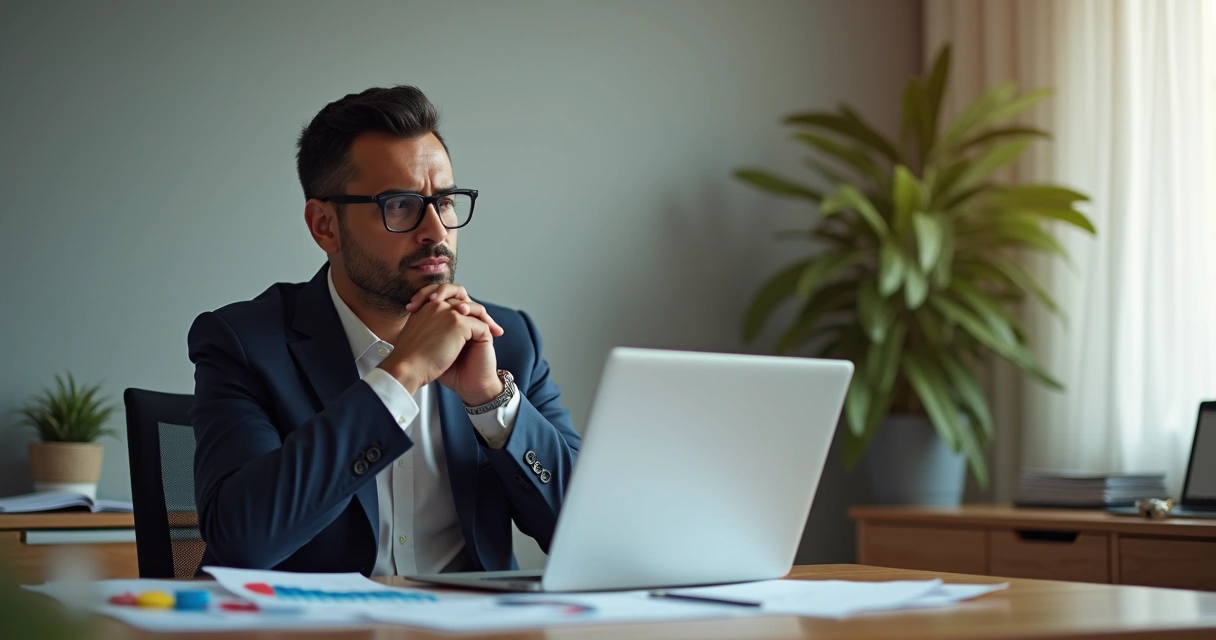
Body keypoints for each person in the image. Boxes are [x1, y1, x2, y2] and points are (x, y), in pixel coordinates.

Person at [188, 86, 580, 576]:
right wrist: (400, 375)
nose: (436, 230)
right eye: (400, 205)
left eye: (446, 202)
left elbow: (589, 530)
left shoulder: (507, 340)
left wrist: (489, 400)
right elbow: (242, 539)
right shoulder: (245, 343)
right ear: (324, 225)